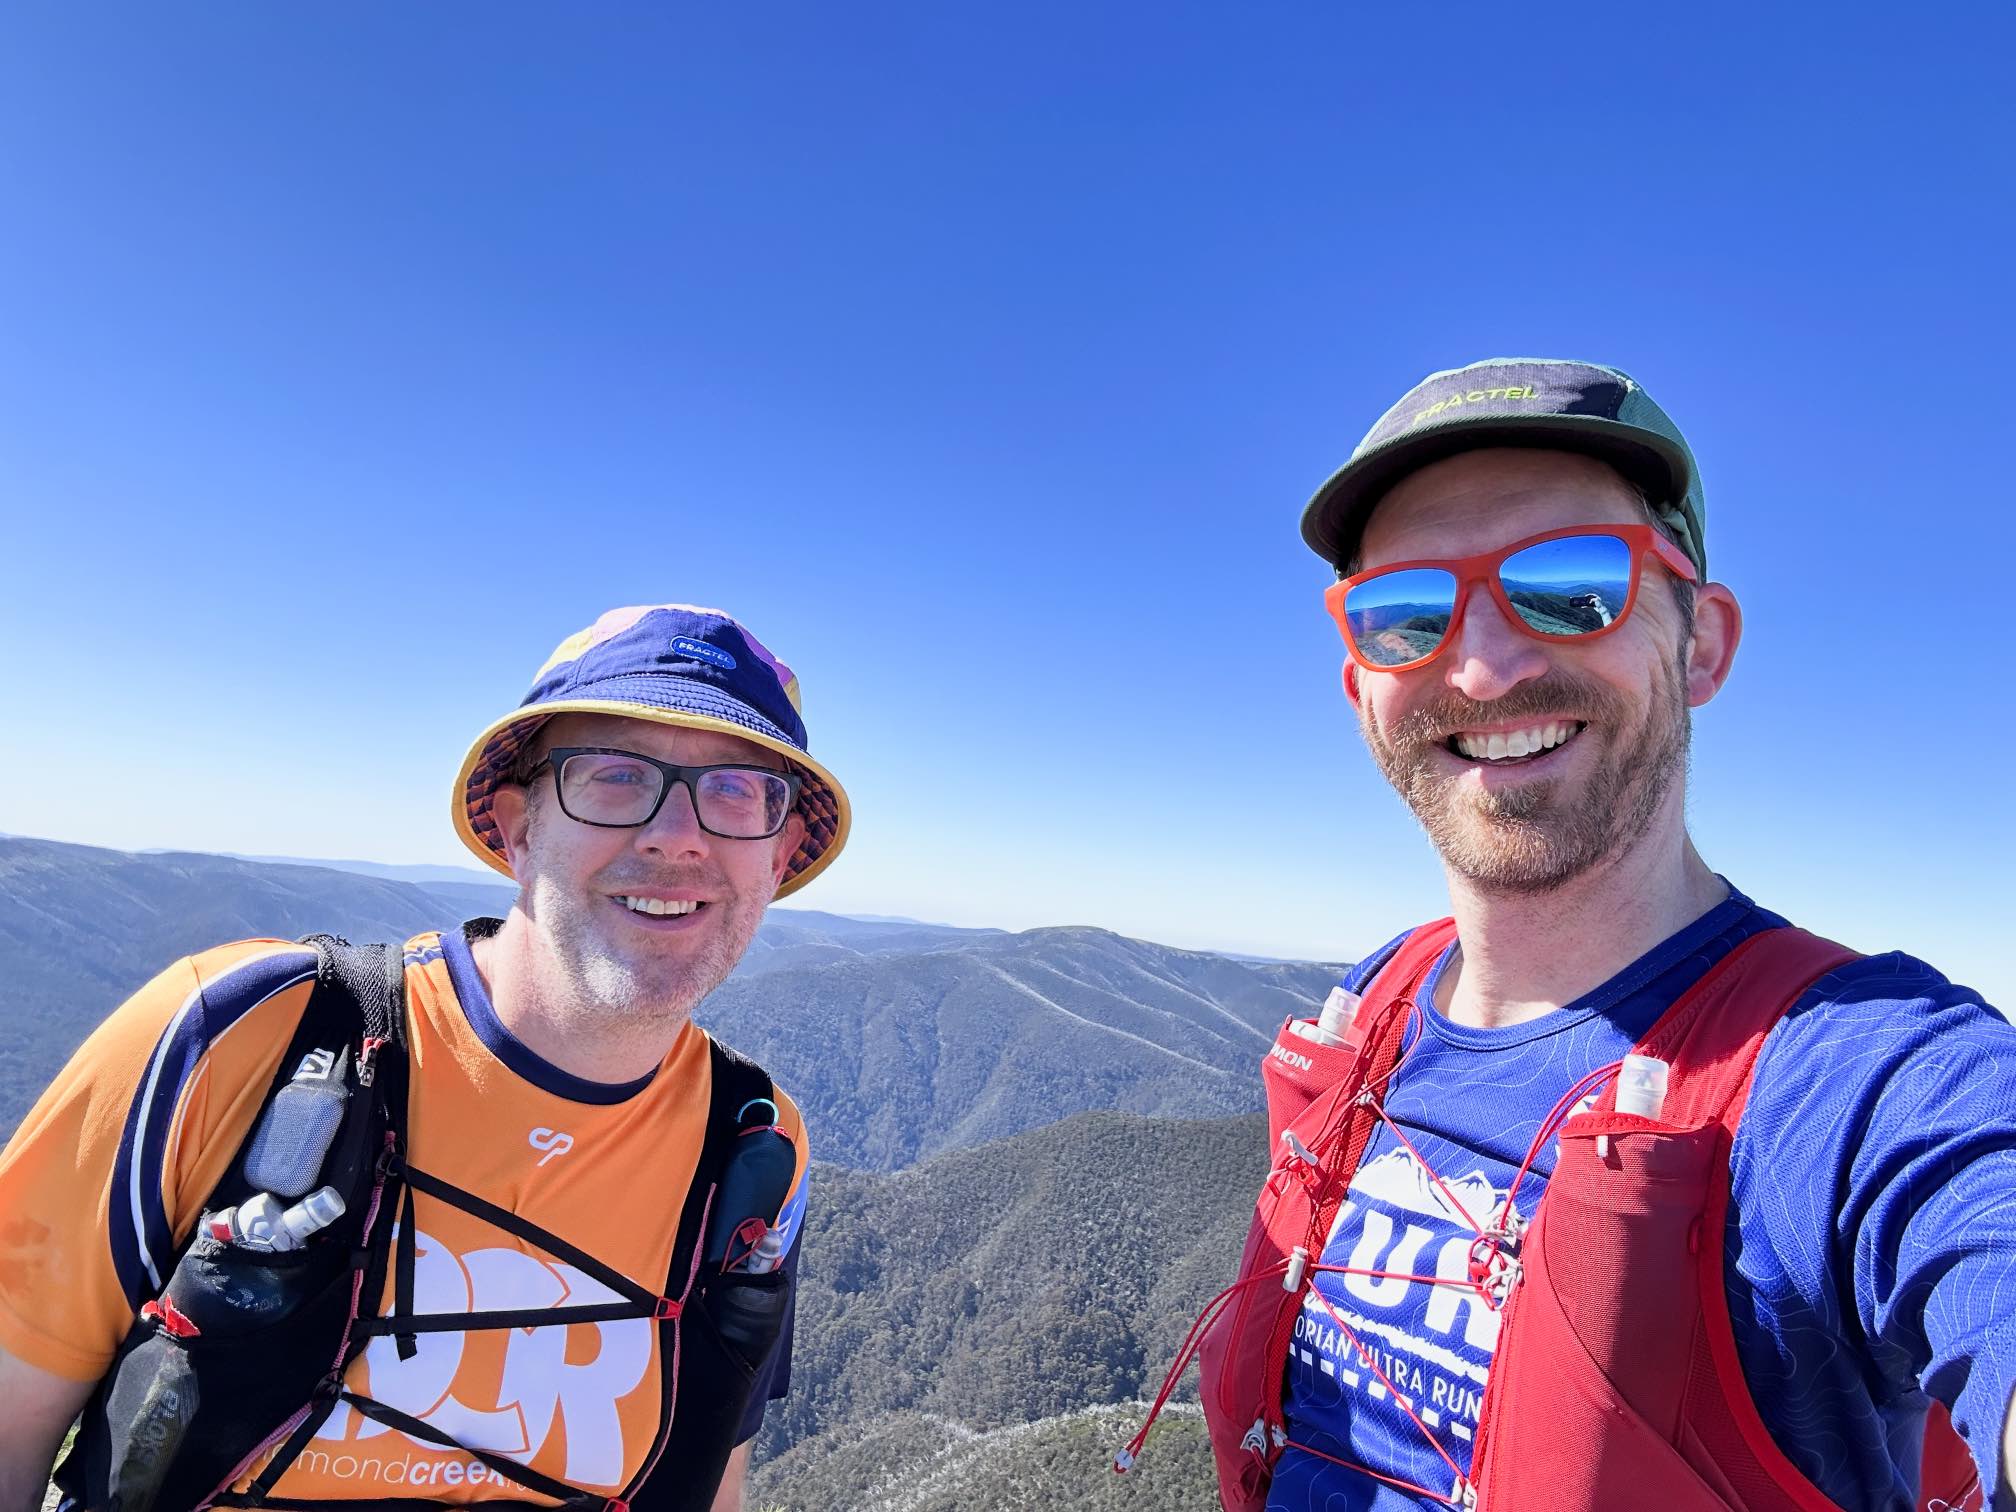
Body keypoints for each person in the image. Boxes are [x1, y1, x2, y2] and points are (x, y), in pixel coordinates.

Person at [1186, 361, 2015, 1511]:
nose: (1481, 666)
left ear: (1703, 645)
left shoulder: (1860, 1074)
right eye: (1406, 614)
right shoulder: (1379, 999)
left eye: (1571, 585)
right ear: (1358, 685)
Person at [0, 603, 850, 1512]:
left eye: (734, 792)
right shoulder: (246, 1033)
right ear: (519, 829)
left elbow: (712, 1474)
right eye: (615, 776)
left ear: (779, 852)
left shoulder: (755, 1151)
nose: (678, 835)